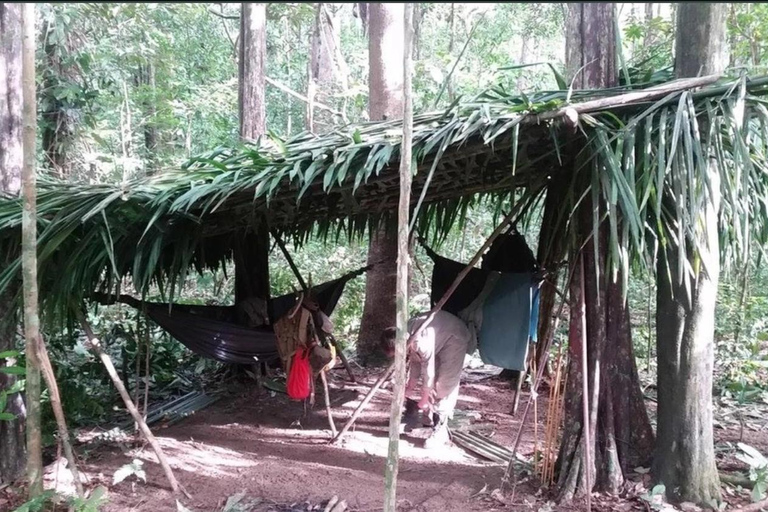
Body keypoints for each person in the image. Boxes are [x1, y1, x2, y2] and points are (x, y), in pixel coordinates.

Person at [380, 310, 472, 448]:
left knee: (444, 383)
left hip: (455, 336)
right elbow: (416, 362)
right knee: (432, 384)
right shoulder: (406, 337)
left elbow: (428, 371)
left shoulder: (419, 340)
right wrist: (409, 388)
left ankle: (441, 429)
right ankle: (428, 419)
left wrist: (423, 399)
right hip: (439, 338)